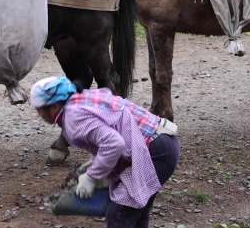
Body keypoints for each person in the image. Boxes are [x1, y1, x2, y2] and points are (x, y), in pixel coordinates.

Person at [30, 76, 180, 228]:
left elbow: (114, 144)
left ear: (54, 107)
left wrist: (91, 176)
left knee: (119, 215)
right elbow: (109, 132)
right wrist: (94, 163)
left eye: (39, 109)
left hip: (156, 152)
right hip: (162, 144)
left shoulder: (73, 118)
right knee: (135, 214)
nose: (39, 115)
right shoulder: (80, 100)